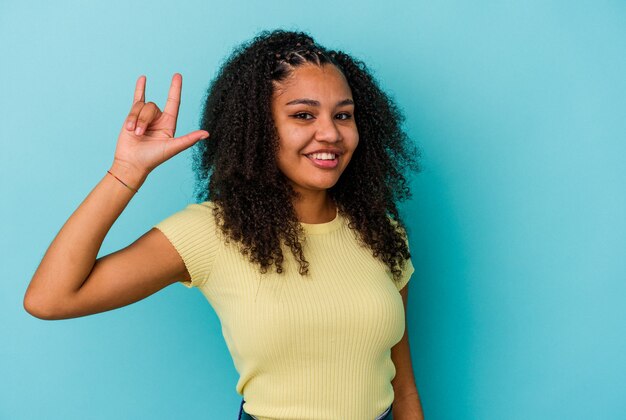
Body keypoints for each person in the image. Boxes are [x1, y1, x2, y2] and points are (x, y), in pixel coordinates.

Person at [24, 30, 425, 420]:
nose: (330, 133)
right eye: (303, 115)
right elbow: (50, 298)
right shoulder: (213, 232)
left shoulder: (382, 233)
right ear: (258, 128)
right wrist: (124, 173)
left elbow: (403, 385)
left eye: (343, 115)